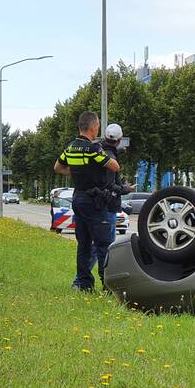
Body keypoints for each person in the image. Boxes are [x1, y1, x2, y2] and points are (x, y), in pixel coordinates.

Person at [54, 111, 121, 291]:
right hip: (94, 201)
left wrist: (77, 171)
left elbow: (58, 167)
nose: (98, 128)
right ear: (93, 127)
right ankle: (107, 285)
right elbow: (115, 167)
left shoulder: (70, 147)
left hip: (78, 198)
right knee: (103, 244)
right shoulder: (93, 149)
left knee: (83, 244)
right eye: (97, 125)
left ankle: (84, 283)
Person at [88, 123, 132, 270]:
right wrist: (125, 189)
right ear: (119, 140)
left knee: (99, 244)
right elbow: (109, 185)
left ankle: (85, 276)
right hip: (108, 205)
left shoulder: (99, 150)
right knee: (104, 245)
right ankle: (91, 276)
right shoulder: (111, 158)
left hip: (98, 203)